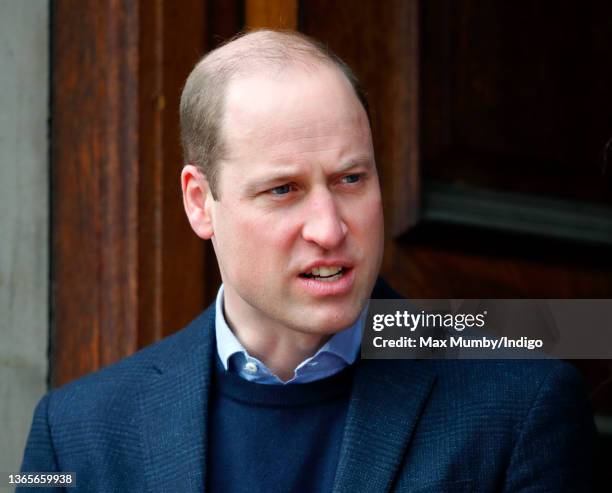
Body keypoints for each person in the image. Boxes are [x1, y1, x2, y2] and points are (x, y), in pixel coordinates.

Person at [20, 30, 594, 492]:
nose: (329, 228)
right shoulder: (73, 431)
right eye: (283, 190)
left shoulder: (521, 405)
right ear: (200, 202)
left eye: (351, 179)